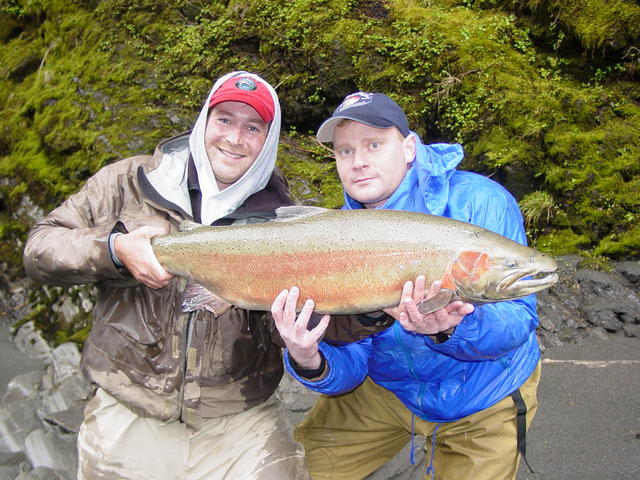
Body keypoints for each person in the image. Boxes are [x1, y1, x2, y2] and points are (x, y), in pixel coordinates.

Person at [23, 71, 310, 480]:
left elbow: (293, 330)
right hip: (127, 412)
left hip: (241, 424)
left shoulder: (283, 218)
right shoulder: (127, 182)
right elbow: (40, 248)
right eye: (224, 119)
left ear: (270, 140)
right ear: (204, 122)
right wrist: (114, 250)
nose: (234, 138)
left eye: (253, 128)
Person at [271, 92, 541, 480]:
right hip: (387, 387)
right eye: (345, 152)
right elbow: (352, 361)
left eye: (374, 145)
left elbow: (517, 322)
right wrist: (309, 359)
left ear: (409, 147)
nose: (358, 161)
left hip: (484, 390)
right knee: (292, 472)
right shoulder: (336, 235)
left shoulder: (479, 200)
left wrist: (452, 328)